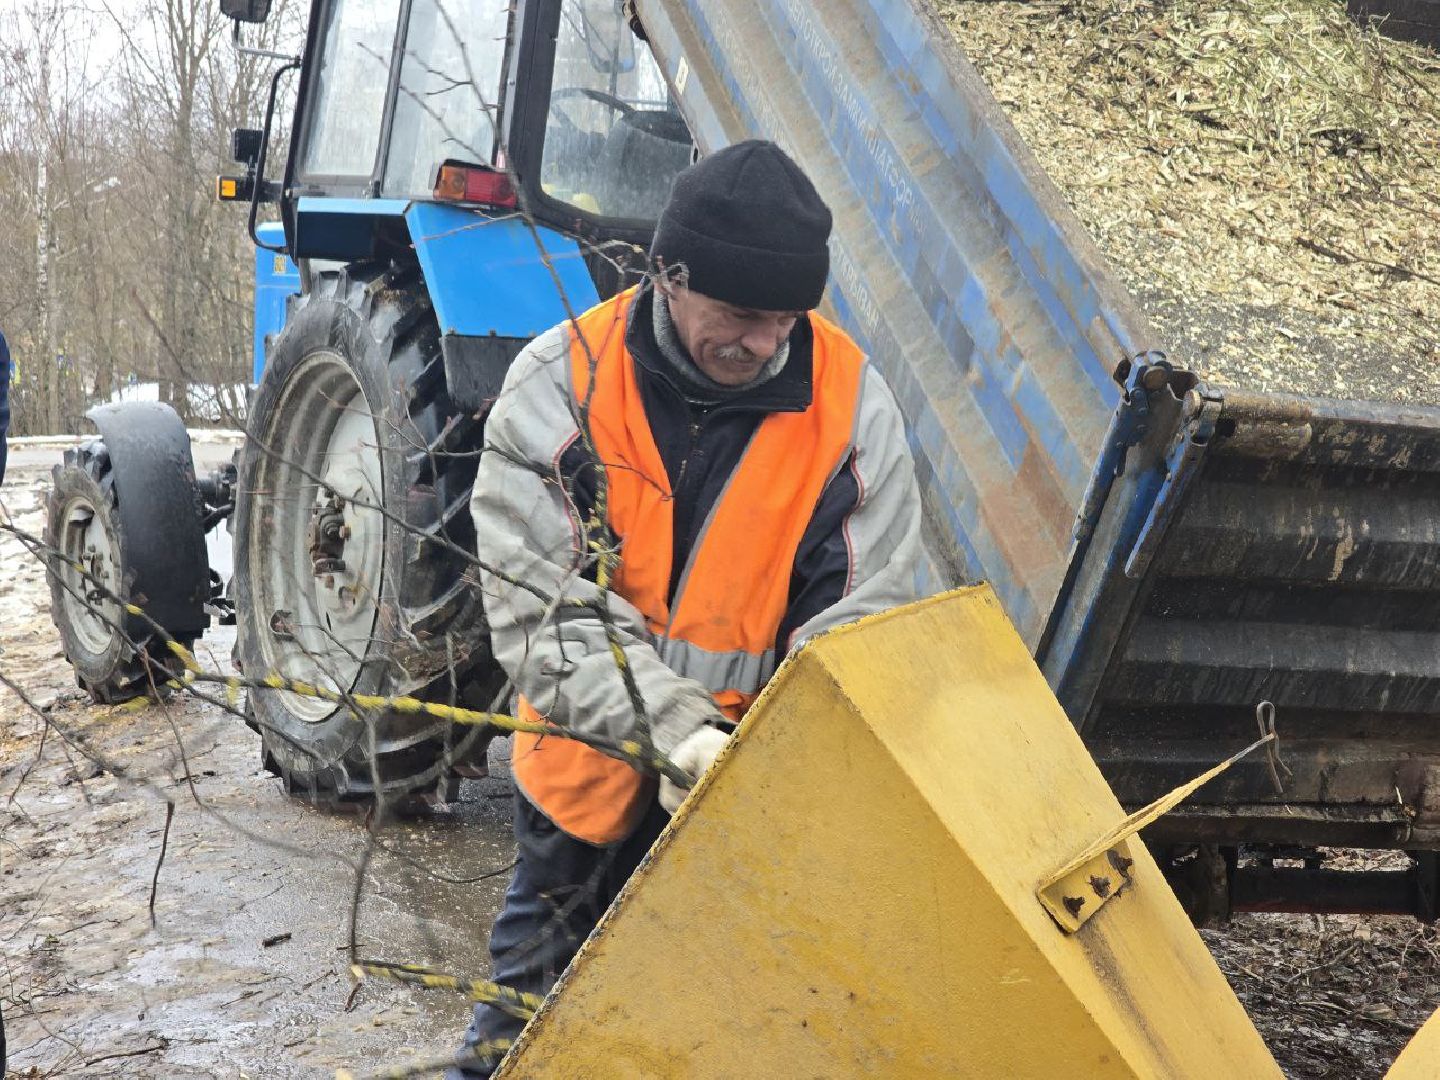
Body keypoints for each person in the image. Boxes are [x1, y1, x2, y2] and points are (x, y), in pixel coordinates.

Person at [453, 140, 923, 1075]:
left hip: (745, 803)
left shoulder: (851, 408)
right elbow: (549, 616)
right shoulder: (562, 386)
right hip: (583, 785)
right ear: (669, 276)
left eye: (788, 320)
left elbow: (862, 614)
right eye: (742, 315)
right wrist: (679, 734)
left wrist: (760, 763)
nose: (764, 342)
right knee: (520, 1042)